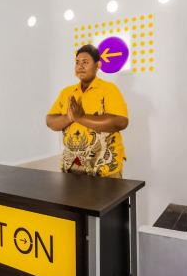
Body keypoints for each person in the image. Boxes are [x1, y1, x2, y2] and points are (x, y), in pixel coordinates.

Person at [46, 44, 129, 178]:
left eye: (85, 62)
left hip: (105, 168)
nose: (80, 66)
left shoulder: (108, 89)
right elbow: (50, 121)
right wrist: (69, 118)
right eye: (77, 62)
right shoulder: (67, 92)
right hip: (72, 168)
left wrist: (81, 117)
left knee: (109, 199)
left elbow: (120, 122)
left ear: (98, 66)